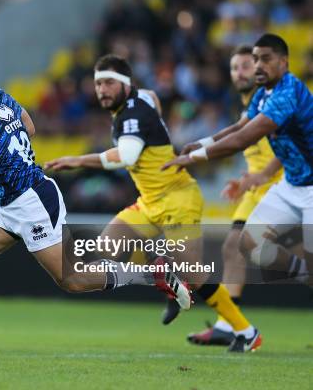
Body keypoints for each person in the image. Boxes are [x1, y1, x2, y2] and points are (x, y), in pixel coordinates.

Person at [0, 38, 191, 364]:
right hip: (10, 202)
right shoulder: (0, 96)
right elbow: (28, 127)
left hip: (31, 202)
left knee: (72, 279)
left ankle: (150, 274)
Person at [45, 54, 261, 352]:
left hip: (177, 198)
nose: (102, 90)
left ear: (126, 85)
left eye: (109, 83)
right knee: (106, 248)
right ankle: (163, 278)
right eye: (98, 84)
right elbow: (152, 96)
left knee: (195, 273)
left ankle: (246, 331)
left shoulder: (131, 114)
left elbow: (127, 157)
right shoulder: (136, 102)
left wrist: (78, 159)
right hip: (149, 201)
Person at [164, 33, 312, 304]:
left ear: (284, 62)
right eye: (255, 59)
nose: (258, 66)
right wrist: (201, 142)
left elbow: (244, 139)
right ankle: (303, 270)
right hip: (292, 184)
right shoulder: (264, 93)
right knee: (248, 244)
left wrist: (196, 157)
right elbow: (241, 126)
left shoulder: (288, 93)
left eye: (265, 59)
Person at [179, 45, 283, 346]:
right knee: (232, 248)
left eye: (246, 66)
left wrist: (201, 150)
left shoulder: (275, 102)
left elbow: (292, 147)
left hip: (283, 186)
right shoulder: (251, 107)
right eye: (235, 67)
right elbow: (239, 130)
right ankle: (229, 323)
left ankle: (231, 323)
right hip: (256, 188)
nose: (240, 72)